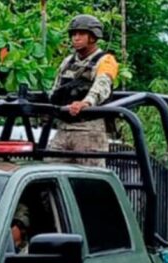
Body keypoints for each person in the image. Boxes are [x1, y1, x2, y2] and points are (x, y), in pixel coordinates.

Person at [49, 14, 120, 167]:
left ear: (93, 37)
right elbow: (56, 88)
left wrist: (86, 103)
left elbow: (102, 85)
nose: (76, 38)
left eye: (81, 33)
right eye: (74, 34)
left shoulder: (106, 60)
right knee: (50, 169)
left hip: (89, 129)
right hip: (64, 128)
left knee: (90, 176)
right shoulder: (68, 61)